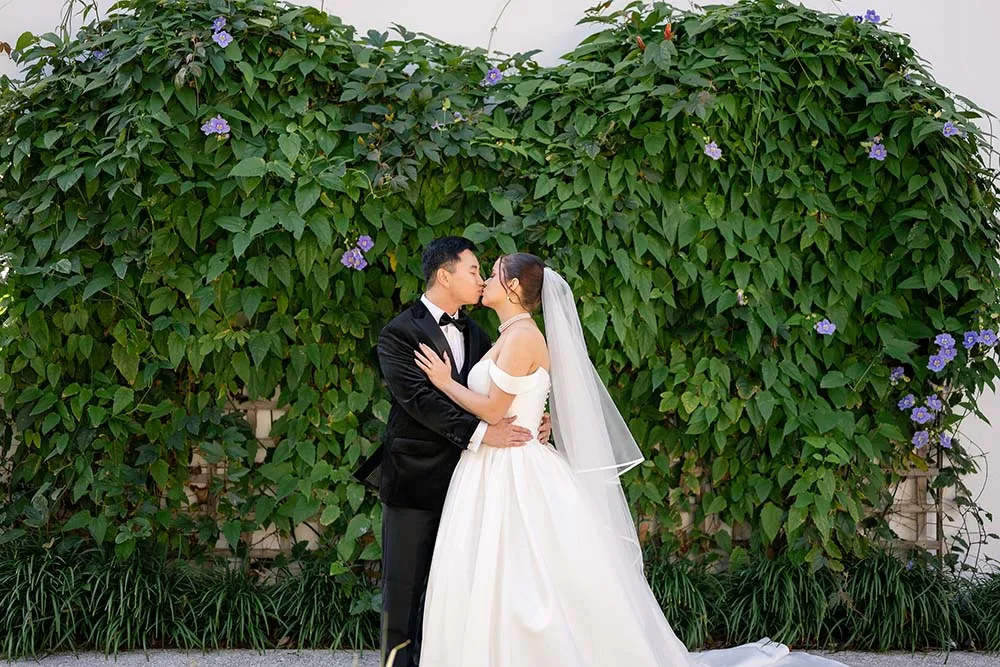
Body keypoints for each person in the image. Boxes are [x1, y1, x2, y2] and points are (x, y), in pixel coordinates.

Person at [414, 252, 846, 667]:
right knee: (496, 570)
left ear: (510, 286)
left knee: (527, 573)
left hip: (515, 467)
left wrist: (443, 381)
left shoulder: (525, 336)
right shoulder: (508, 335)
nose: (485, 280)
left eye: (492, 273)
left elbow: (491, 409)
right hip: (493, 465)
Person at [353, 238, 552, 667]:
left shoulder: (481, 333)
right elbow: (421, 403)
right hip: (416, 480)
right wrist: (484, 433)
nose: (480, 280)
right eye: (473, 271)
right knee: (402, 589)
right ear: (445, 275)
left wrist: (535, 416)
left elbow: (504, 388)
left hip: (477, 485)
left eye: (485, 272)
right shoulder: (399, 333)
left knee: (458, 590)